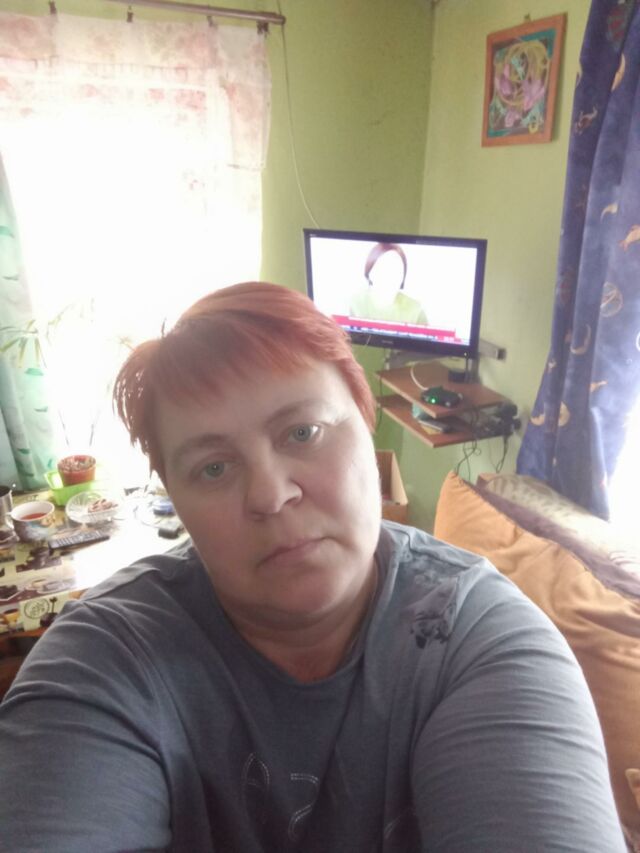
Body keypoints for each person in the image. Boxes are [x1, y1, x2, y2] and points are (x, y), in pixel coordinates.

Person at [0, 282, 626, 853]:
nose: (271, 495)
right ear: (176, 499)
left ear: (368, 423)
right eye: (213, 468)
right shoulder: (105, 659)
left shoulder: (481, 644)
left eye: (302, 433)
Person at [349, 242, 428, 324]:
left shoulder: (415, 309)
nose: (390, 276)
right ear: (370, 273)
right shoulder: (355, 303)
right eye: (384, 268)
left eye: (396, 269)